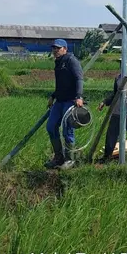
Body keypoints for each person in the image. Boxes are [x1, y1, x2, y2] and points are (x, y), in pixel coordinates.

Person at [45, 39, 84, 169]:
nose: (55, 50)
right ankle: (58, 157)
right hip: (59, 100)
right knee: (51, 127)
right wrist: (53, 96)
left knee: (67, 129)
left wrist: (79, 96)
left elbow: (79, 79)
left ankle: (69, 159)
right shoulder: (58, 63)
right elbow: (60, 84)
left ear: (65, 49)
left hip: (70, 101)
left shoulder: (71, 61)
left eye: (58, 48)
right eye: (54, 48)